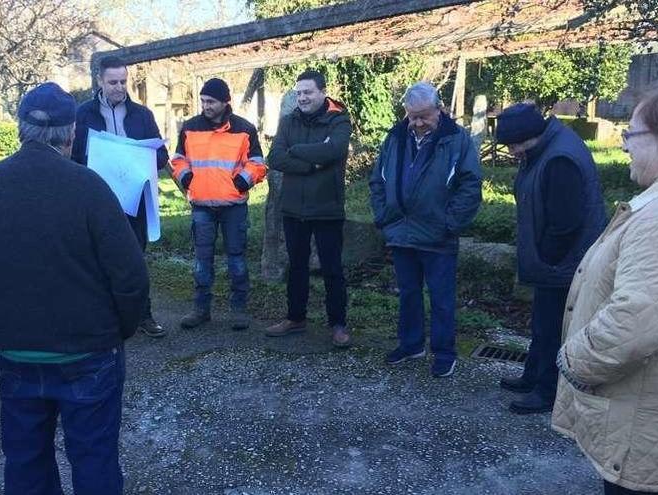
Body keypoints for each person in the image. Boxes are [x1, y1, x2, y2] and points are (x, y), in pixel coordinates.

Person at [0, 82, 149, 494]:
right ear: (72, 132)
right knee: (94, 458)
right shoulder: (88, 187)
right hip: (88, 350)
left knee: (25, 461)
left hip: (18, 351)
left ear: (21, 128)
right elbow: (129, 276)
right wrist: (118, 330)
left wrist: (4, 319)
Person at [553, 81, 658, 495]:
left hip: (646, 431)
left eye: (632, 133)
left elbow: (637, 322)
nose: (625, 144)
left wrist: (573, 361)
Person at [494, 103, 607, 414]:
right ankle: (532, 377)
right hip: (556, 263)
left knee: (555, 328)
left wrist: (545, 257)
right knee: (542, 324)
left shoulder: (559, 159)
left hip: (563, 264)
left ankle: (547, 392)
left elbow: (566, 222)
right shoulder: (544, 148)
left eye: (515, 145)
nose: (513, 151)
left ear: (529, 136)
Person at [369, 81, 482, 378]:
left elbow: (470, 186)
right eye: (412, 116)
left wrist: (451, 224)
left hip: (438, 234)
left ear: (439, 109)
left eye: (424, 116)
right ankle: (411, 344)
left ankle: (444, 352)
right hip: (401, 231)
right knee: (408, 292)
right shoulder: (394, 138)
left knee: (442, 298)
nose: (417, 123)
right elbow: (377, 180)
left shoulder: (457, 140)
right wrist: (383, 215)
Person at [71, 55, 169, 338]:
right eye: (113, 82)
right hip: (96, 200)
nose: (119, 87)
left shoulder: (143, 115)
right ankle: (106, 317)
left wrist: (142, 155)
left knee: (135, 259)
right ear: (99, 81)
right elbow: (74, 156)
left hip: (134, 200)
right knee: (99, 259)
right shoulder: (82, 116)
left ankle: (143, 315)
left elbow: (160, 155)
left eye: (123, 81)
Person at [169, 78, 267, 331]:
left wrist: (242, 182)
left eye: (210, 101)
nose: (205, 106)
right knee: (202, 261)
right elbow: (178, 159)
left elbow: (257, 162)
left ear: (225, 102)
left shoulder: (244, 129)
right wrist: (186, 177)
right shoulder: (189, 127)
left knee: (237, 259)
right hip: (201, 204)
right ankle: (201, 309)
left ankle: (239, 310)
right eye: (203, 101)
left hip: (233, 205)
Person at [265, 69, 353, 348]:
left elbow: (334, 151)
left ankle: (338, 324)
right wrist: (312, 160)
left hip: (327, 207)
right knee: (297, 266)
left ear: (322, 92)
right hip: (294, 208)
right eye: (298, 93)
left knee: (332, 269)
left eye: (307, 92)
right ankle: (295, 318)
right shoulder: (288, 121)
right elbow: (276, 157)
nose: (301, 97)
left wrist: (296, 150)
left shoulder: (339, 120)